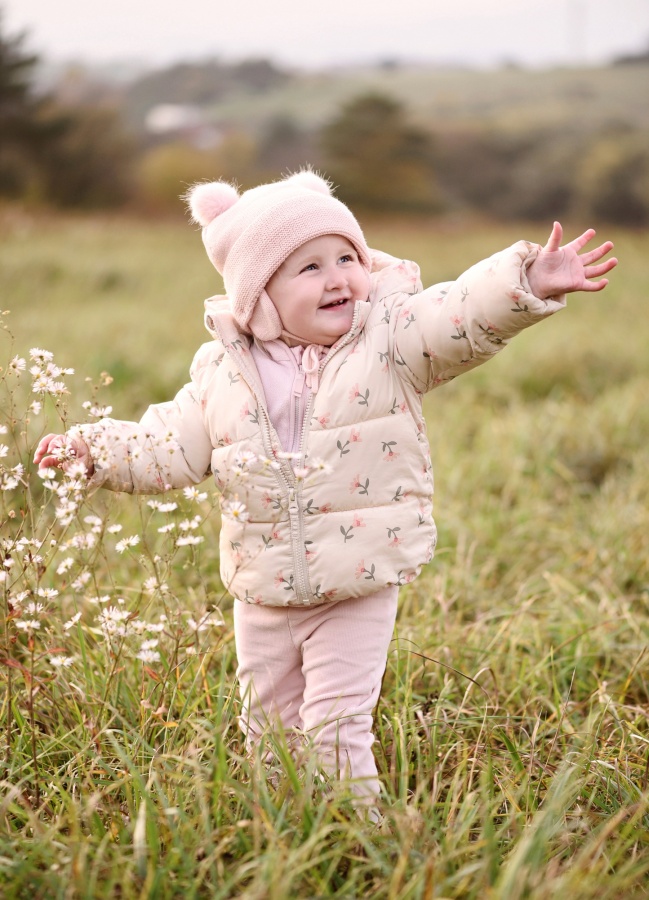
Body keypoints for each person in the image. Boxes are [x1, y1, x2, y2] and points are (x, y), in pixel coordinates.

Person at [34, 170, 616, 810]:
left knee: (337, 726)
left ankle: (361, 837)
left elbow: (457, 315)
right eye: (310, 267)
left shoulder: (389, 340)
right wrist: (93, 451)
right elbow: (168, 443)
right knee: (267, 731)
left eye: (347, 258)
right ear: (259, 296)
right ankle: (279, 828)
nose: (338, 278)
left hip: (357, 579)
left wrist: (525, 281)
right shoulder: (223, 372)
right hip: (262, 588)